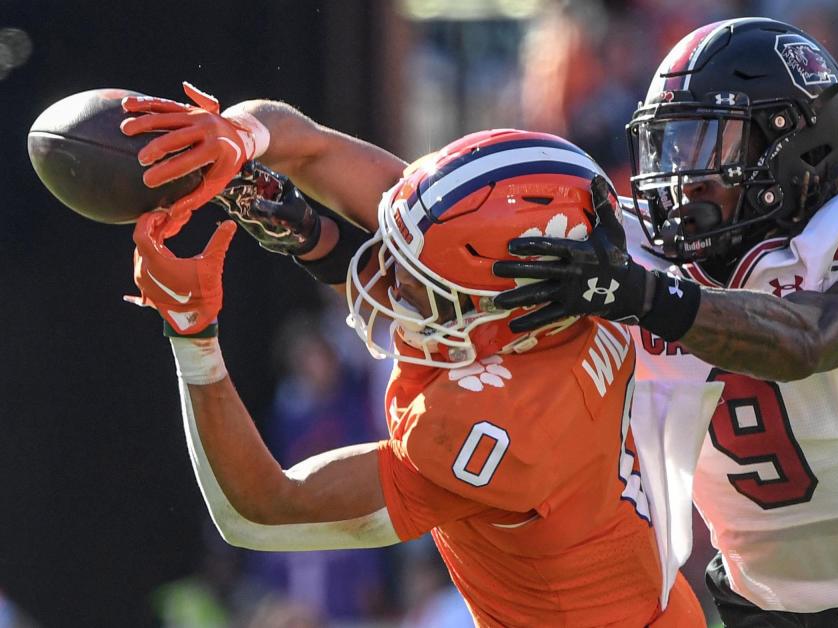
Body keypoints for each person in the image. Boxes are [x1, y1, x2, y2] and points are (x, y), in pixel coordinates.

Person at [123, 127, 706, 626]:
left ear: (506, 300)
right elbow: (317, 149)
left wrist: (191, 331)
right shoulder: (580, 298)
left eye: (418, 282)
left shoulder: (491, 429)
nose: (395, 285)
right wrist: (244, 146)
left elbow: (258, 509)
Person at [490, 17, 838, 626]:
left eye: (707, 144)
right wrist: (331, 194)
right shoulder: (641, 257)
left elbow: (804, 341)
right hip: (755, 603)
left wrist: (647, 297)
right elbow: (460, 212)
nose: (682, 177)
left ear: (794, 145)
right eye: (671, 144)